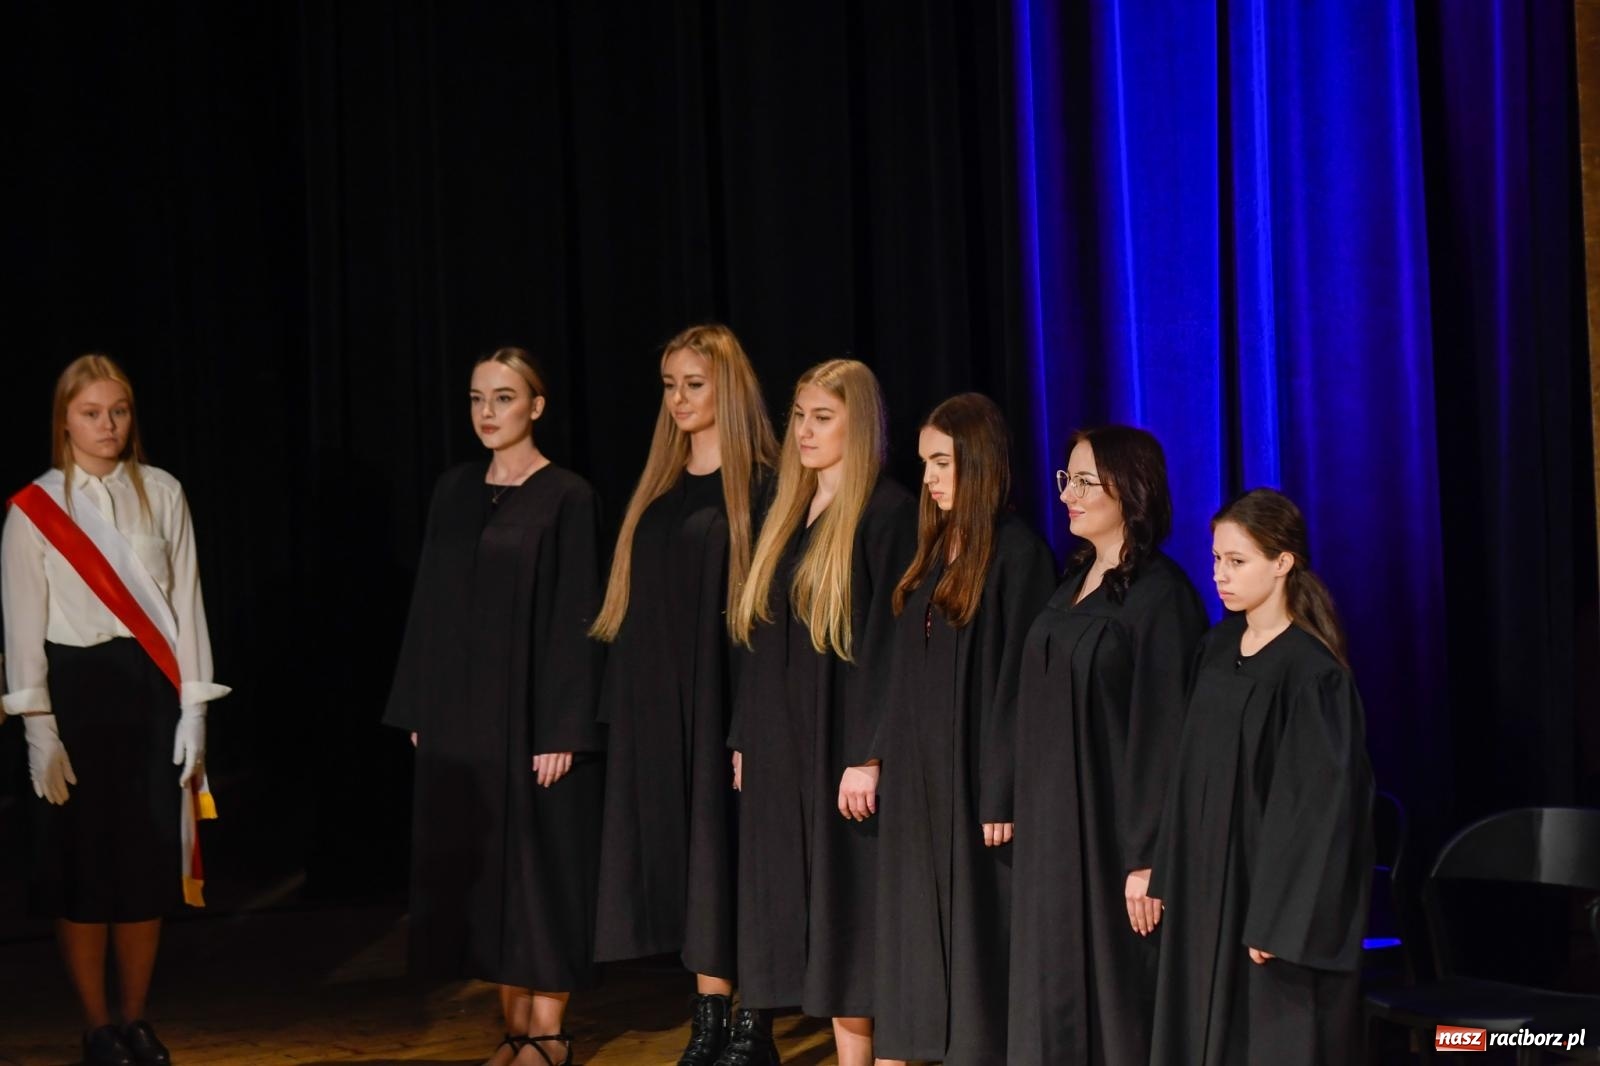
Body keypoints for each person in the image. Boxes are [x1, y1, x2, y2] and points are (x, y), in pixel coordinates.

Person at [2, 353, 229, 1066]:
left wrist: (195, 709)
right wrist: (38, 728)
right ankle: (97, 1025)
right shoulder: (34, 507)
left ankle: (136, 1019)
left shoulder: (163, 492)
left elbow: (187, 605)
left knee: (143, 864)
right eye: (92, 413)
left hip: (150, 687)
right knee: (81, 866)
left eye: (119, 411)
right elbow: (21, 623)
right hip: (74, 692)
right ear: (65, 419)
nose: (108, 425)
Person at [383, 348, 604, 1066]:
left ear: (535, 407)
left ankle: (552, 1035)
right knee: (489, 882)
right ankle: (515, 1033)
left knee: (541, 874)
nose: (487, 412)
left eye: (503, 398)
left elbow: (581, 615)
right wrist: (419, 704)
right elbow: (428, 605)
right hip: (460, 715)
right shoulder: (453, 490)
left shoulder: (568, 494)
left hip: (534, 717)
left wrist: (566, 726)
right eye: (478, 398)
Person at [589, 324, 778, 1065]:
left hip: (728, 701)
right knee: (693, 862)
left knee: (736, 857)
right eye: (669, 385)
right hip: (662, 706)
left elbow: (765, 621)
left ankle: (752, 1022)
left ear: (726, 387)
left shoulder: (762, 485)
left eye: (693, 384)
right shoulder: (659, 488)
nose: (678, 400)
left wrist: (751, 726)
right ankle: (708, 1013)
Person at [727, 359, 916, 1066]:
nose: (804, 431)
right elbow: (759, 634)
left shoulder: (886, 513)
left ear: (857, 423)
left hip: (842, 745)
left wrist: (870, 754)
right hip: (782, 741)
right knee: (796, 908)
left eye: (822, 418)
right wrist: (747, 734)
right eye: (799, 416)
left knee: (849, 910)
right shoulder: (788, 508)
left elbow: (890, 646)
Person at [1148, 488, 1374, 1065]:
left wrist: (1280, 919)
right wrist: (1166, 874)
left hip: (1267, 908)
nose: (1220, 574)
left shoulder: (1311, 673)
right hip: (1204, 897)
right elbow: (1187, 773)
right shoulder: (1218, 649)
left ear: (1283, 563)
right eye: (1216, 559)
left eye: (1237, 561)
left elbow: (1320, 811)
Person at [1006, 426, 1207, 1066]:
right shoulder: (1070, 587)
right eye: (1067, 479)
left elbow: (1166, 736)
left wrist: (1150, 859)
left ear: (1132, 489)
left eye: (1086, 481)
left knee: (1117, 1006)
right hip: (1054, 838)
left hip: (1115, 843)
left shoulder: (1162, 598)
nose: (1069, 494)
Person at [871, 393, 1056, 1066]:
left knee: (977, 949)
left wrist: (1000, 789)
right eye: (924, 463)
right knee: (913, 947)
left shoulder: (1016, 555)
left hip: (976, 793)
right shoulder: (929, 553)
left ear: (977, 462)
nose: (930, 478)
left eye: (943, 462)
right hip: (920, 786)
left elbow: (1018, 685)